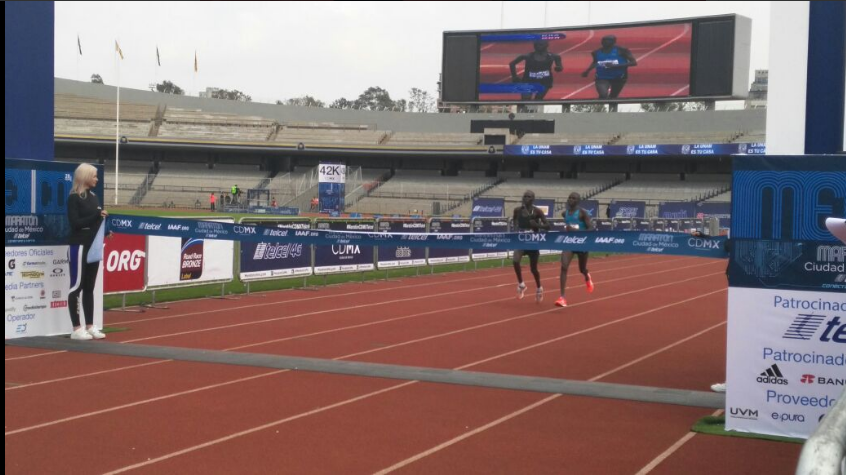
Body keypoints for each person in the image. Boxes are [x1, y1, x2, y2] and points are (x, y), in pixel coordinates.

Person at [66, 163, 108, 340]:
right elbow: (75, 223)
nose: (97, 179)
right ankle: (76, 328)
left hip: (93, 246)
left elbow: (95, 223)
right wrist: (96, 216)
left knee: (89, 287)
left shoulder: (94, 197)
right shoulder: (74, 198)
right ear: (85, 176)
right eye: (94, 176)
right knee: (77, 286)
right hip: (79, 245)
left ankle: (90, 325)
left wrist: (106, 231)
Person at [556, 192, 596, 307]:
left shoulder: (583, 213)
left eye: (574, 198)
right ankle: (562, 297)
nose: (571, 200)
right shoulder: (565, 213)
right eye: (569, 198)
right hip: (569, 243)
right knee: (564, 267)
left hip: (582, 244)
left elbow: (591, 229)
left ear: (578, 201)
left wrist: (576, 231)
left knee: (581, 268)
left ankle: (586, 275)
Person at [513, 190, 550, 302]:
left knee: (533, 269)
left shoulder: (537, 211)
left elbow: (548, 226)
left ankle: (539, 288)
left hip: (533, 242)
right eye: (524, 196)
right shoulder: (518, 210)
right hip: (522, 240)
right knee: (515, 260)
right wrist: (516, 228)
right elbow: (514, 220)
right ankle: (521, 284)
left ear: (533, 199)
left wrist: (537, 225)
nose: (526, 198)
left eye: (528, 196)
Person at [581, 35, 638, 99]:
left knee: (613, 97)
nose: (605, 42)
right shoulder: (596, 52)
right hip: (601, 77)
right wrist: (587, 71)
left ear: (614, 42)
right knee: (603, 95)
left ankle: (611, 107)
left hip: (619, 77)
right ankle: (600, 103)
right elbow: (595, 62)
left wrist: (615, 65)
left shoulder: (622, 50)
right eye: (603, 40)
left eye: (608, 40)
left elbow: (634, 63)